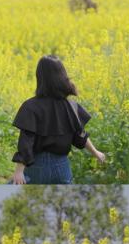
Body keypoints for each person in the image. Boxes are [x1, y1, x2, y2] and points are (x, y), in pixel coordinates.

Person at [10, 55, 106, 184]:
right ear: (62, 76)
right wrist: (96, 152)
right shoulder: (71, 106)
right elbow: (80, 135)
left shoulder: (30, 106)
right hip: (62, 167)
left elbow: (26, 141)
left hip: (37, 166)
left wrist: (19, 171)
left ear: (40, 77)